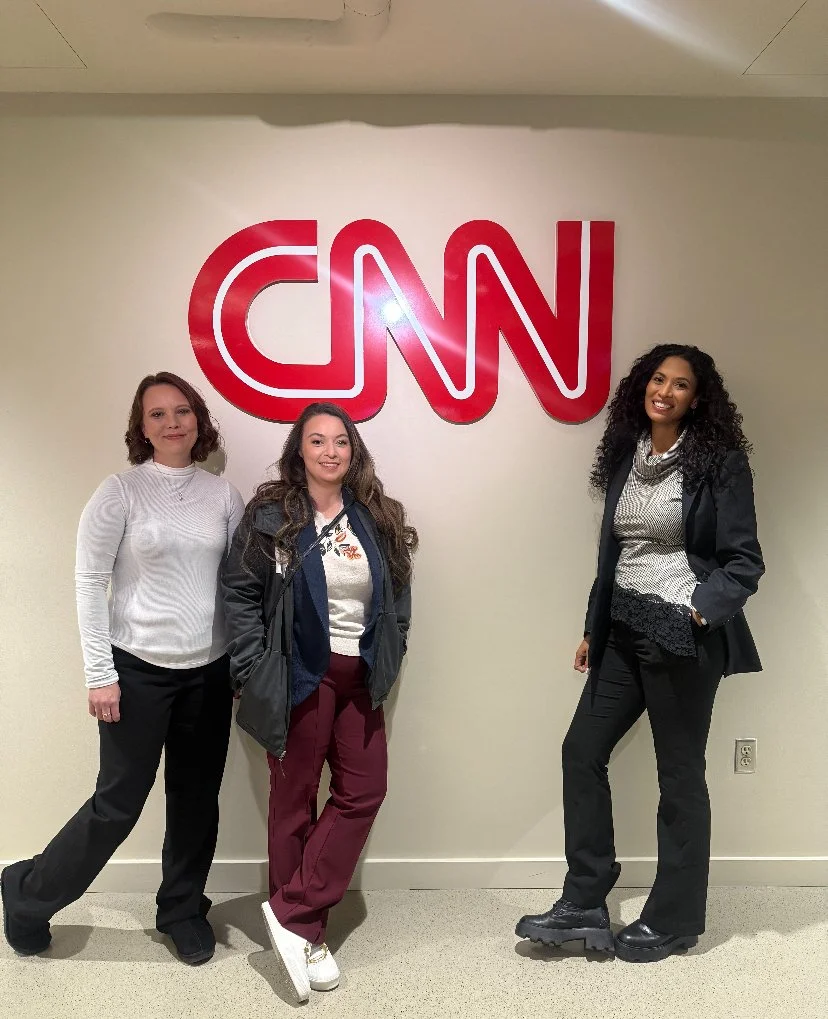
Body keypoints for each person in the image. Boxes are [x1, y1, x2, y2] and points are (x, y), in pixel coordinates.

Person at [516, 344, 764, 962]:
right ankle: (585, 898)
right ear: (643, 388)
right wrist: (592, 628)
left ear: (697, 399)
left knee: (678, 778)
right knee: (581, 751)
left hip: (681, 636)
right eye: (659, 379)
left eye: (681, 384)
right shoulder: (630, 457)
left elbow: (743, 561)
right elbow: (616, 555)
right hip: (623, 631)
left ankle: (676, 918)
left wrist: (697, 611)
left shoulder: (719, 463)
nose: (667, 391)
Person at [1, 372, 244, 965]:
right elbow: (89, 582)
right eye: (156, 414)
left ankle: (182, 908)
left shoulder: (224, 496)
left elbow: (238, 587)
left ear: (198, 420)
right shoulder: (120, 491)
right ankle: (28, 893)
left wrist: (240, 667)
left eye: (181, 411)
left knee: (195, 798)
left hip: (208, 673)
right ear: (141, 426)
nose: (171, 423)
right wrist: (99, 672)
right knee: (118, 803)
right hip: (136, 671)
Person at [222, 401, 416, 1001]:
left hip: (360, 676)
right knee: (293, 803)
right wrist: (253, 670)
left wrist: (392, 650)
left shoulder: (375, 517)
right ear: (298, 451)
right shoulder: (272, 516)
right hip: (297, 675)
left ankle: (292, 913)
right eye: (317, 442)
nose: (331, 452)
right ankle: (309, 937)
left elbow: (398, 597)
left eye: (341, 442)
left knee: (364, 789)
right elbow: (239, 594)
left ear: (352, 451)